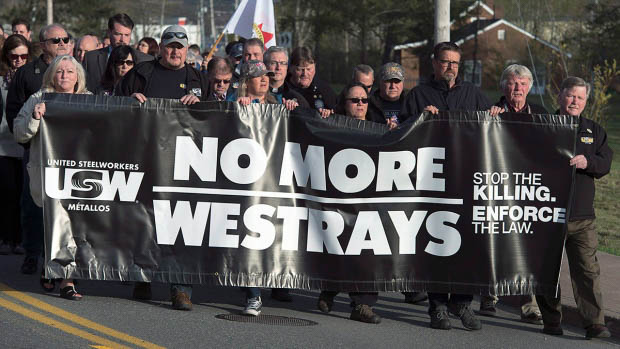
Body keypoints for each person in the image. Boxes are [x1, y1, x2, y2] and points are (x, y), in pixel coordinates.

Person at [117, 25, 209, 311]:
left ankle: (180, 289)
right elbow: (112, 104)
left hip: (185, 164)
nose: (174, 51)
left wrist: (201, 105)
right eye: (169, 45)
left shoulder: (199, 79)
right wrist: (128, 101)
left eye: (180, 46)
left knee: (183, 226)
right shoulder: (141, 74)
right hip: (145, 159)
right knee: (145, 222)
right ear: (160, 47)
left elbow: (216, 119)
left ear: (186, 49)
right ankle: (142, 278)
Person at [400, 42, 491, 331]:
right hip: (432, 181)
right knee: (436, 245)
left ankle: (462, 302)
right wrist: (419, 119)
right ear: (434, 64)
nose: (450, 67)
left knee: (467, 245)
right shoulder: (418, 95)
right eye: (444, 62)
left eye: (454, 62)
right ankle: (438, 306)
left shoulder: (474, 95)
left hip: (466, 180)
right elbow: (400, 134)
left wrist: (497, 115)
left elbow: (493, 132)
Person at [535, 76, 612, 339]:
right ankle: (552, 319)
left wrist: (587, 162)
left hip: (582, 217)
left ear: (585, 101)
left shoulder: (594, 131)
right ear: (560, 96)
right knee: (547, 270)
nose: (574, 101)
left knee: (588, 271)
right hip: (548, 214)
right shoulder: (544, 127)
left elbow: (605, 164)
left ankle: (595, 324)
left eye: (580, 97)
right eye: (570, 96)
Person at [13, 55, 91, 301]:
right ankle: (51, 267)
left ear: (78, 76)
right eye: (59, 72)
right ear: (51, 76)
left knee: (72, 226)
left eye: (70, 71)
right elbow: (19, 133)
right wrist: (35, 118)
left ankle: (67, 280)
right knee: (52, 224)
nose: (65, 75)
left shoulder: (90, 101)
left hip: (80, 174)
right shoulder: (38, 98)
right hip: (48, 172)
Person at [225, 60, 298, 315]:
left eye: (266, 75)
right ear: (247, 82)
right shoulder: (235, 101)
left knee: (271, 233)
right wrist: (236, 108)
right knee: (249, 236)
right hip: (244, 180)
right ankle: (253, 295)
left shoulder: (277, 103)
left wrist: (292, 108)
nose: (265, 79)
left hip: (272, 179)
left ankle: (275, 282)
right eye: (257, 76)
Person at [479, 64, 548, 324]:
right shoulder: (490, 113)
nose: (517, 88)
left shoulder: (541, 115)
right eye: (511, 83)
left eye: (521, 83)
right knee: (492, 243)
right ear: (503, 87)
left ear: (529, 87)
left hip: (528, 193)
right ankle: (489, 295)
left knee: (525, 249)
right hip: (495, 190)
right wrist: (488, 121)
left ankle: (529, 306)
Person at [315, 83, 385, 324]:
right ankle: (330, 288)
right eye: (354, 100)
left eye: (364, 100)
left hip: (368, 205)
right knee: (338, 245)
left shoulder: (380, 128)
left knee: (366, 251)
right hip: (337, 201)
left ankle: (362, 304)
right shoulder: (332, 126)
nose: (360, 104)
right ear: (344, 104)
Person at [5, 23, 72, 275]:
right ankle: (32, 253)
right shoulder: (28, 73)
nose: (63, 43)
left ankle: (61, 256)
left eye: (66, 39)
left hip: (69, 156)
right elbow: (14, 110)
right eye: (56, 41)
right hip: (37, 150)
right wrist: (26, 140)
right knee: (33, 204)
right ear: (43, 45)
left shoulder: (77, 70)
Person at [0, 34, 31, 255]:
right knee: (7, 193)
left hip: (26, 143)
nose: (18, 60)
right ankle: (6, 238)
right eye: (14, 56)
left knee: (24, 194)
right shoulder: (1, 78)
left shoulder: (31, 76)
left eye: (23, 56)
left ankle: (21, 239)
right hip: (2, 143)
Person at [83, 14, 153, 92]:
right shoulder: (91, 58)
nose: (122, 39)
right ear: (109, 32)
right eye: (118, 34)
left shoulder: (146, 60)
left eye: (127, 35)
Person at [287, 46, 337, 118]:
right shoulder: (283, 90)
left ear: (315, 67)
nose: (305, 74)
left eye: (309, 69)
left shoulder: (325, 90)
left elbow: (338, 114)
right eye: (300, 69)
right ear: (291, 68)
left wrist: (330, 114)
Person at [366, 62, 406, 129]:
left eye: (397, 81)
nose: (393, 86)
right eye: (388, 81)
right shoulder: (366, 104)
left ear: (403, 82)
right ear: (380, 82)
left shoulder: (411, 104)